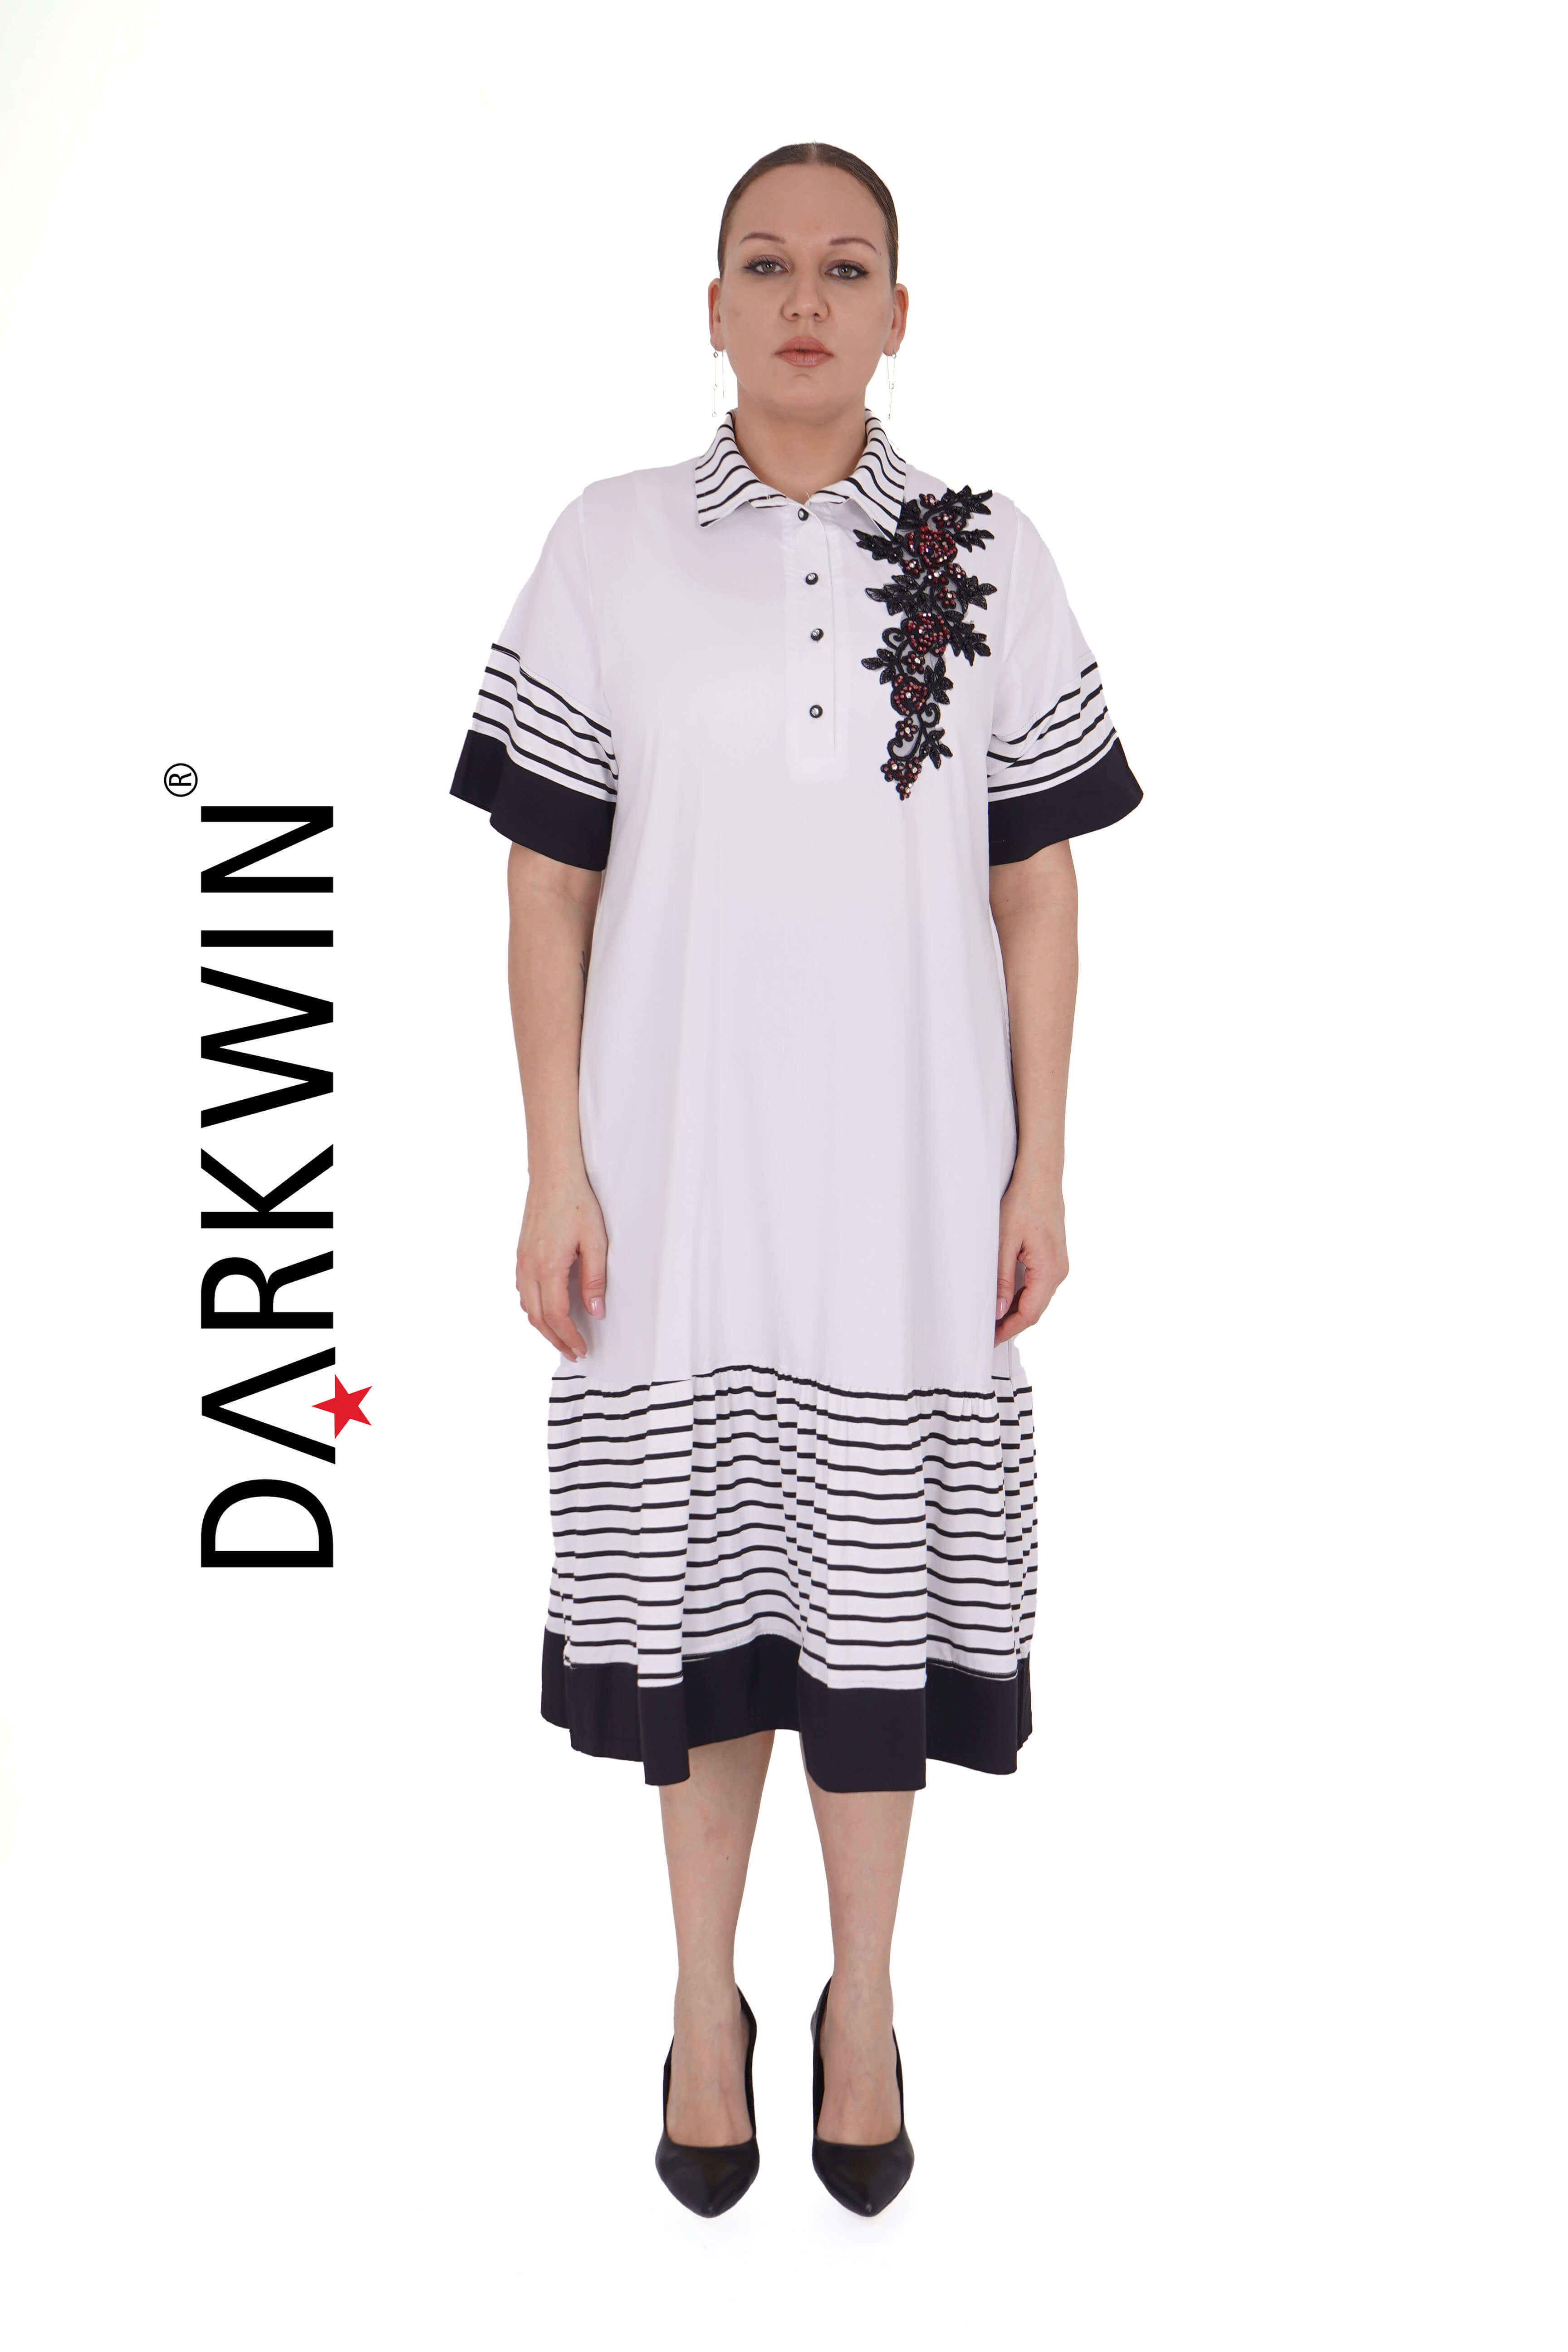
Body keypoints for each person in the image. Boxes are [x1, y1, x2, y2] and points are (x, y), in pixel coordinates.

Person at [448, 142, 1142, 2218]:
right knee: (703, 1609)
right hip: (676, 1177)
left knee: (870, 1611)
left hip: (908, 1177)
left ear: (901, 313)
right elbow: (547, 885)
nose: (805, 299)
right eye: (766, 264)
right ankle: (697, 2003)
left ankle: (862, 2005)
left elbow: (1039, 884)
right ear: (715, 305)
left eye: (846, 268)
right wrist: (553, 1164)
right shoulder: (610, 547)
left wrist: (1042, 1164)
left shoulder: (986, 551)